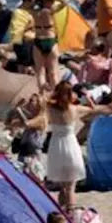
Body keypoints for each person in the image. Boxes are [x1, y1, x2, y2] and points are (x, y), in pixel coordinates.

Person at [38, 82, 88, 211]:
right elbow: (93, 109)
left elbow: (43, 99)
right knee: (71, 187)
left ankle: (61, 212)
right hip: (70, 145)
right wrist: (87, 98)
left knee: (62, 186)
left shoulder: (50, 107)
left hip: (56, 146)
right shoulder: (74, 109)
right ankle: (71, 213)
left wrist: (49, 93)